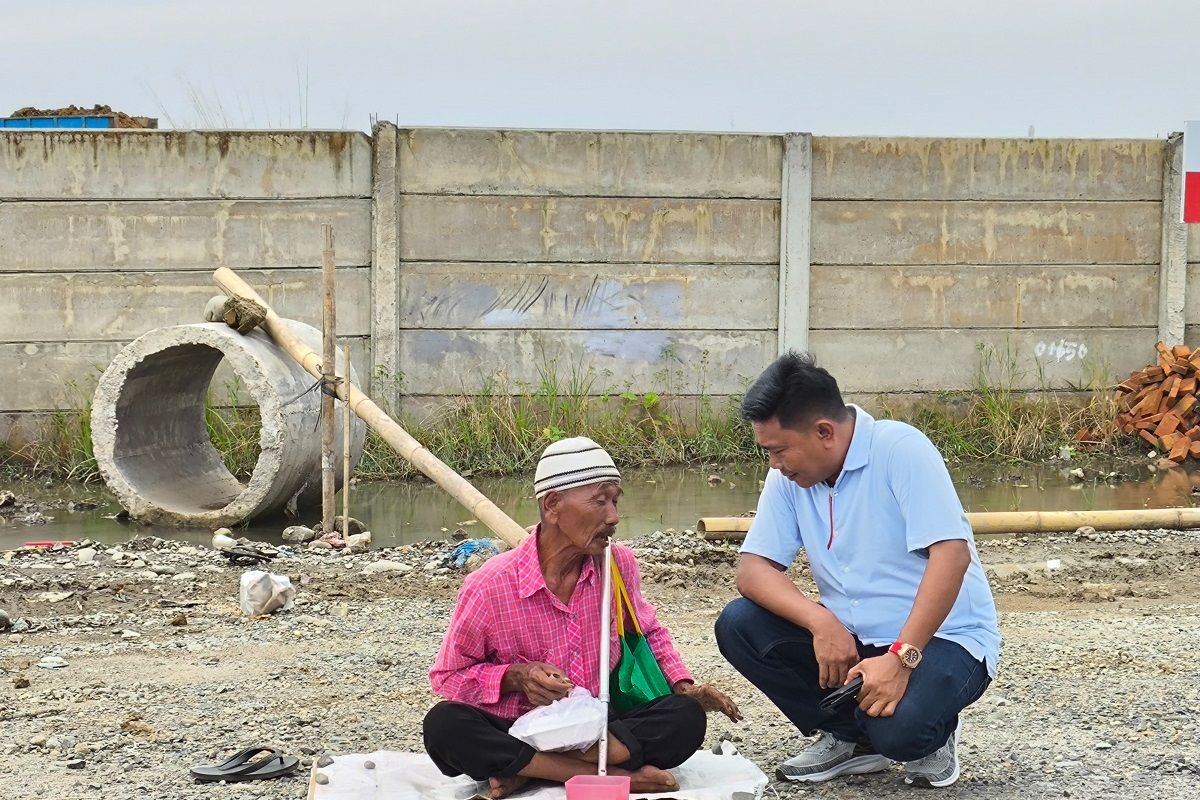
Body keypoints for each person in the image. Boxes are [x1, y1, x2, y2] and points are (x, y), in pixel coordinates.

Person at [714, 351, 1000, 788]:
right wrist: (820, 620)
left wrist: (902, 659)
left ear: (824, 432)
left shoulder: (900, 450)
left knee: (901, 734)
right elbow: (753, 569)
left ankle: (934, 734)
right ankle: (853, 740)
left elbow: (952, 555)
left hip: (941, 638)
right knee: (739, 623)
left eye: (778, 450)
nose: (774, 463)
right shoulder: (790, 477)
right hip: (855, 640)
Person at [424, 436, 741, 799]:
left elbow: (648, 632)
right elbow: (448, 677)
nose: (614, 517)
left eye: (616, 500)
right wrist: (516, 676)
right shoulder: (488, 585)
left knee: (685, 717)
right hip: (518, 727)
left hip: (596, 725)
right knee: (445, 726)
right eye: (600, 501)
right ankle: (606, 774)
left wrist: (684, 686)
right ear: (553, 505)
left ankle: (531, 769)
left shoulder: (617, 564)